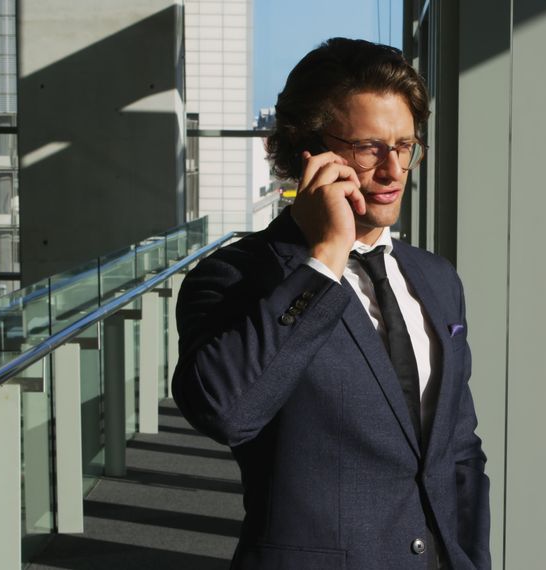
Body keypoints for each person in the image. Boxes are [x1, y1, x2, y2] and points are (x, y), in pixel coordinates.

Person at [171, 37, 490, 570]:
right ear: (309, 151)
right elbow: (226, 413)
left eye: (405, 146)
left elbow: (459, 449)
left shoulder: (437, 280)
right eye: (370, 147)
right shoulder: (234, 276)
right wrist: (324, 261)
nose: (393, 171)